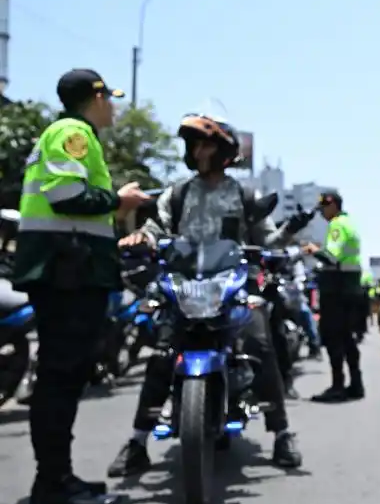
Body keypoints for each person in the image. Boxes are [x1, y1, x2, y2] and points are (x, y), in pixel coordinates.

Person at [108, 113, 303, 477]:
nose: (198, 152)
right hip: (184, 285)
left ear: (224, 151)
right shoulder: (178, 192)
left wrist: (291, 230)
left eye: (206, 145)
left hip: (232, 286)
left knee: (260, 345)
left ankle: (281, 434)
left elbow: (267, 239)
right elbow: (155, 227)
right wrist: (141, 237)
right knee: (162, 352)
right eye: (195, 145)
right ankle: (136, 443)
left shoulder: (244, 194)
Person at [12, 69, 150, 504]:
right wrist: (118, 200)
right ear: (96, 97)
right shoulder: (73, 133)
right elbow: (68, 196)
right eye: (110, 99)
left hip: (67, 271)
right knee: (60, 378)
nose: (114, 107)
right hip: (66, 273)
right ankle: (54, 486)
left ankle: (55, 478)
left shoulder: (70, 134)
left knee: (63, 378)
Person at [304, 190, 365, 403]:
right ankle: (356, 383)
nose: (322, 213)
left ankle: (337, 386)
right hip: (350, 287)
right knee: (347, 338)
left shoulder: (337, 225)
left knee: (333, 338)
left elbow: (331, 256)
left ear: (333, 206)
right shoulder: (349, 223)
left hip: (336, 289)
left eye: (324, 208)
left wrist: (313, 250)